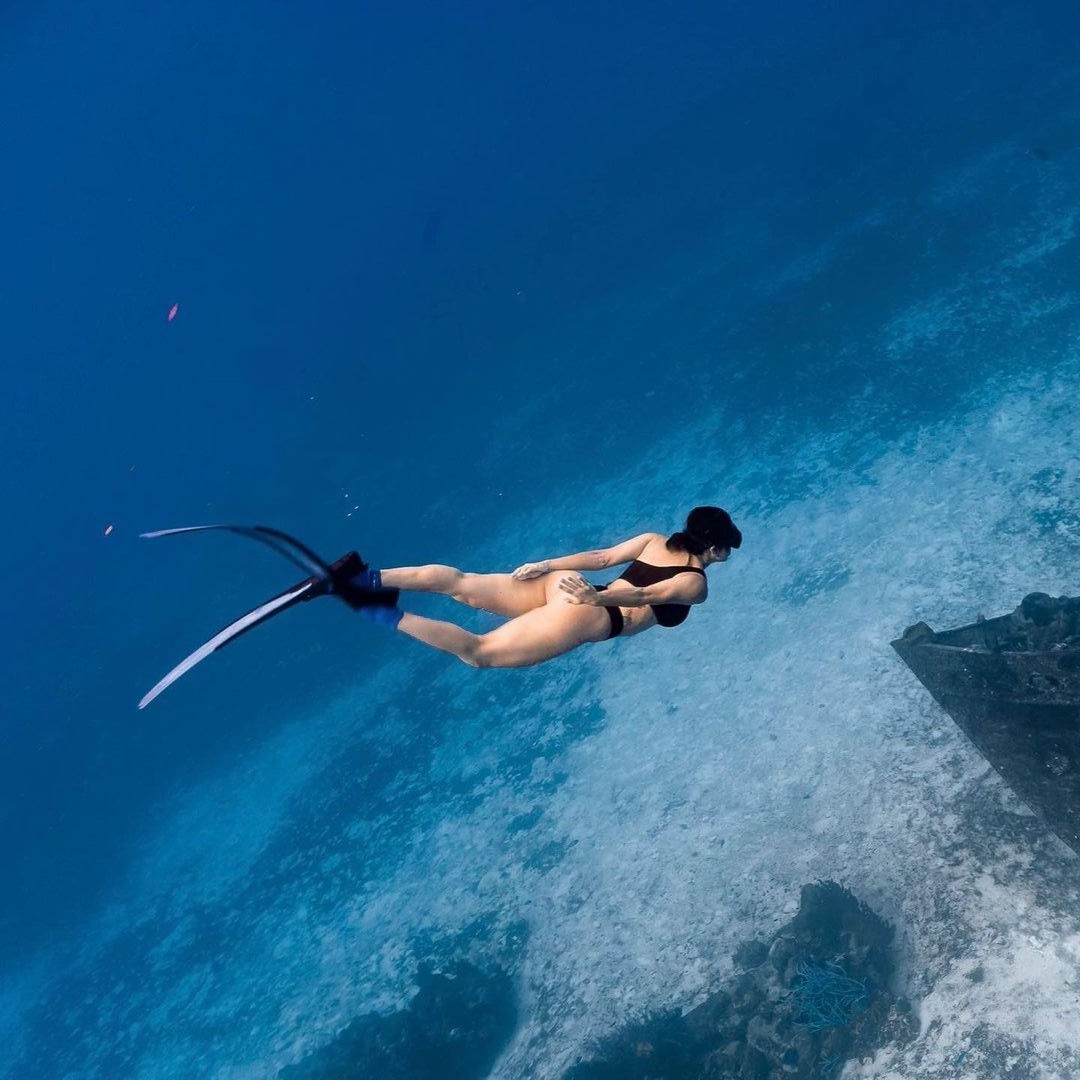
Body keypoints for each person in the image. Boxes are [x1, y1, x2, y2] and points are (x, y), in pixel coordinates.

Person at [360, 506, 742, 668]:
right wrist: (596, 597)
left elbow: (602, 558)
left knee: (462, 583)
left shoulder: (653, 539)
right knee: (479, 653)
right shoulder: (695, 584)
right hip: (590, 611)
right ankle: (369, 606)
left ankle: (367, 577)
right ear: (713, 548)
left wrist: (548, 565)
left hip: (568, 586)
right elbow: (645, 596)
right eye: (728, 546)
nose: (728, 552)